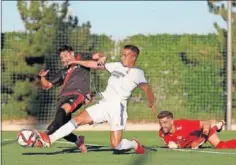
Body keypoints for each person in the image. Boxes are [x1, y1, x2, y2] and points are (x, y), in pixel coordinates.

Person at [34, 45, 156, 154]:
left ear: (133, 57)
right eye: (122, 54)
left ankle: (133, 144)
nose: (122, 57)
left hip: (117, 107)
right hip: (103, 104)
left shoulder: (138, 72)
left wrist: (151, 103)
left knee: (116, 145)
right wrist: (76, 61)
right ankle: (50, 139)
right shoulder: (116, 66)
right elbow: (92, 64)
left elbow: (146, 88)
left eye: (125, 55)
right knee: (77, 119)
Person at [36, 44, 105, 152]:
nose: (64, 59)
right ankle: (78, 141)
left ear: (72, 53)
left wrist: (76, 61)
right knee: (61, 126)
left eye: (65, 56)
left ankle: (45, 135)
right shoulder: (63, 72)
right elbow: (47, 86)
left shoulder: (82, 59)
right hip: (62, 98)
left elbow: (100, 57)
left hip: (77, 94)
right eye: (62, 57)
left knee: (63, 112)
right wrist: (42, 77)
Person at [157, 110, 236, 149]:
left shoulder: (183, 124)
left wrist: (203, 136)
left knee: (221, 146)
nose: (162, 126)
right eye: (160, 123)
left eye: (165, 122)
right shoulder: (161, 133)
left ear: (171, 121)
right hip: (192, 140)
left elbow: (206, 123)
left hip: (201, 133)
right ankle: (218, 125)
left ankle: (218, 125)